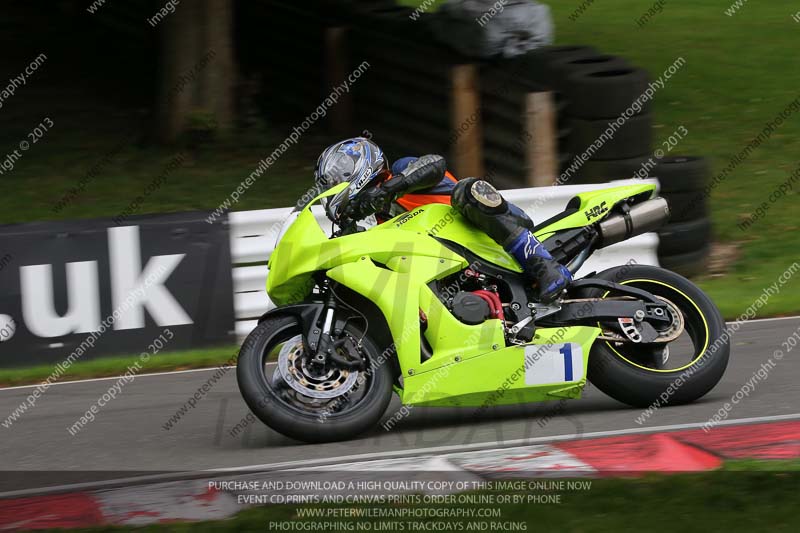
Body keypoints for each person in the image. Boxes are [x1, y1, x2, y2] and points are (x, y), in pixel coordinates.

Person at [314, 137, 572, 304]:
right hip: (458, 272)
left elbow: (435, 164)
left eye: (338, 178)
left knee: (468, 190)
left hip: (490, 229)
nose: (335, 185)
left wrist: (388, 190)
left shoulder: (402, 172)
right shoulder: (371, 226)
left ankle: (543, 265)